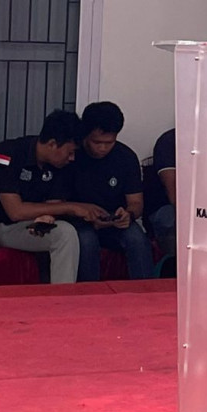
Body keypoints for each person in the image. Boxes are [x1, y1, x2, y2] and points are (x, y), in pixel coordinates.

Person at [0, 109, 108, 287]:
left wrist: (47, 218)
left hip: (22, 228)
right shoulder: (7, 153)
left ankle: (61, 301)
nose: (72, 158)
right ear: (52, 144)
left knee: (66, 233)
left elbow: (53, 205)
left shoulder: (62, 165)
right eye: (69, 152)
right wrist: (72, 207)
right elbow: (15, 211)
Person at [69, 101, 153, 281]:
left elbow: (136, 203)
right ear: (86, 135)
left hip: (115, 222)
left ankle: (145, 295)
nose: (103, 148)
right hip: (79, 223)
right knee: (86, 241)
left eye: (109, 142)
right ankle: (90, 297)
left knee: (137, 239)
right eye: (97, 142)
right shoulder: (71, 155)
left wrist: (128, 215)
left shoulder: (126, 157)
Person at [142, 128, 177, 276]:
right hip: (166, 207)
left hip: (201, 207)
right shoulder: (169, 140)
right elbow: (173, 194)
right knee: (174, 221)